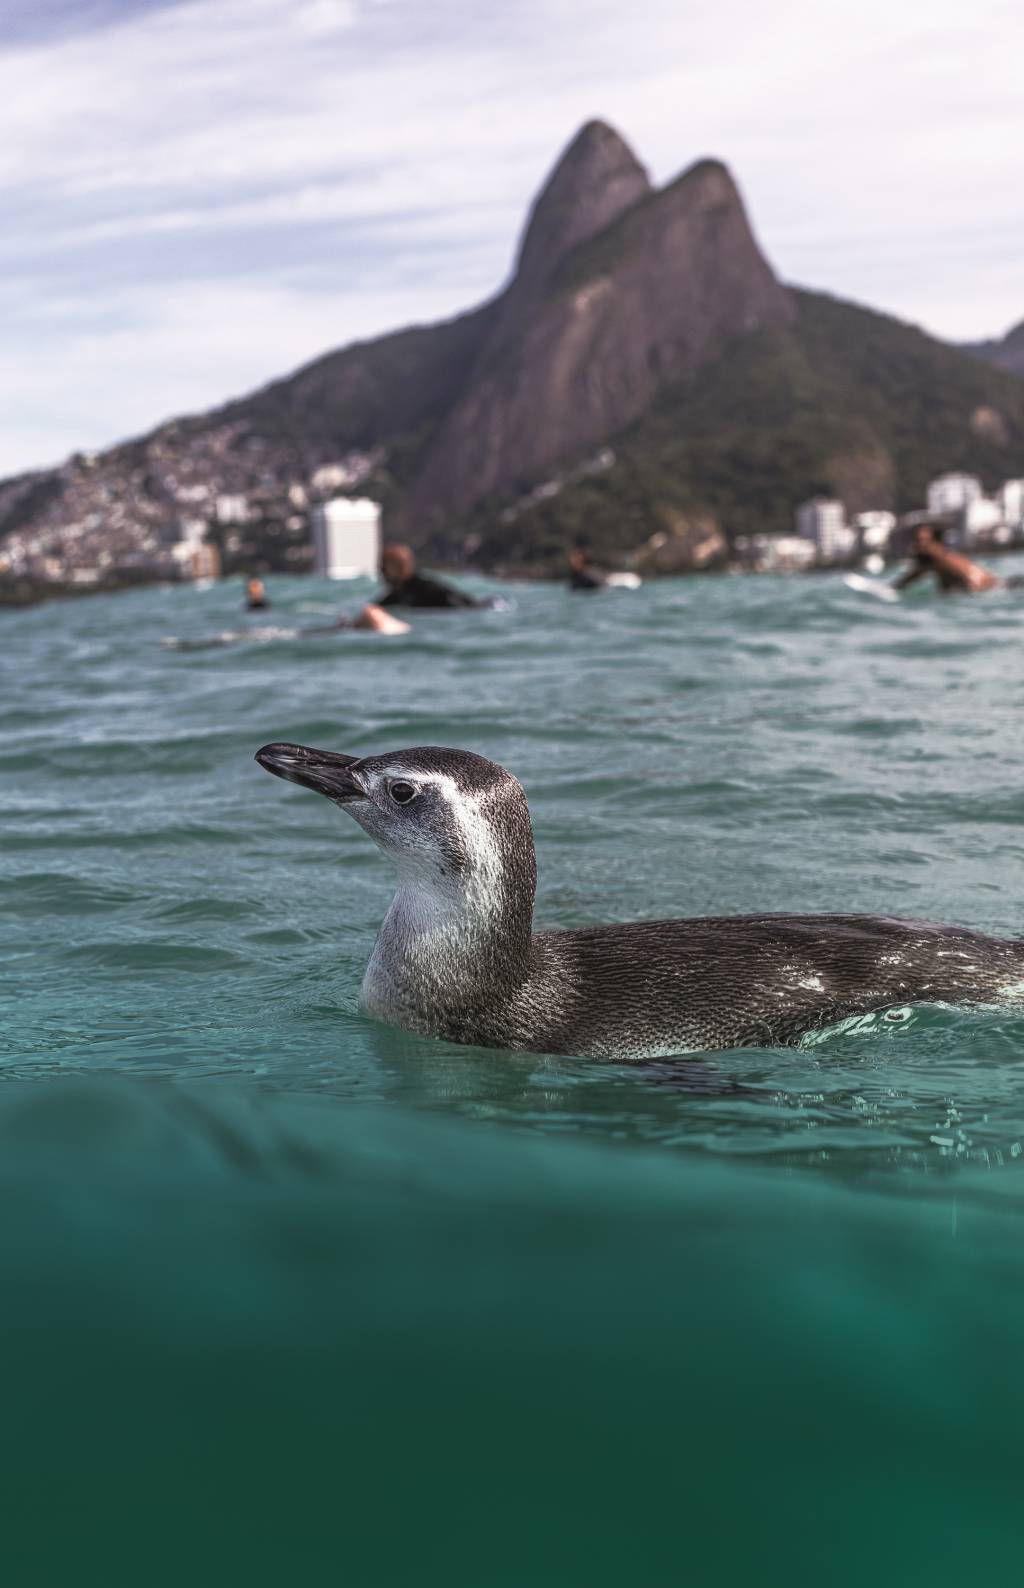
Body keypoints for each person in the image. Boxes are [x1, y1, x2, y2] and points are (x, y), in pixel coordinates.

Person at [893, 524, 1015, 594]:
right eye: (916, 541)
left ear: (938, 544)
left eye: (922, 542)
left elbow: (976, 584)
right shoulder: (931, 563)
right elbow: (904, 583)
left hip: (1003, 587)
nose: (916, 546)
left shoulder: (949, 562)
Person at [376, 544, 483, 609]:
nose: (381, 570)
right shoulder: (400, 594)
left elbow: (461, 607)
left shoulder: (428, 589)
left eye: (384, 566)